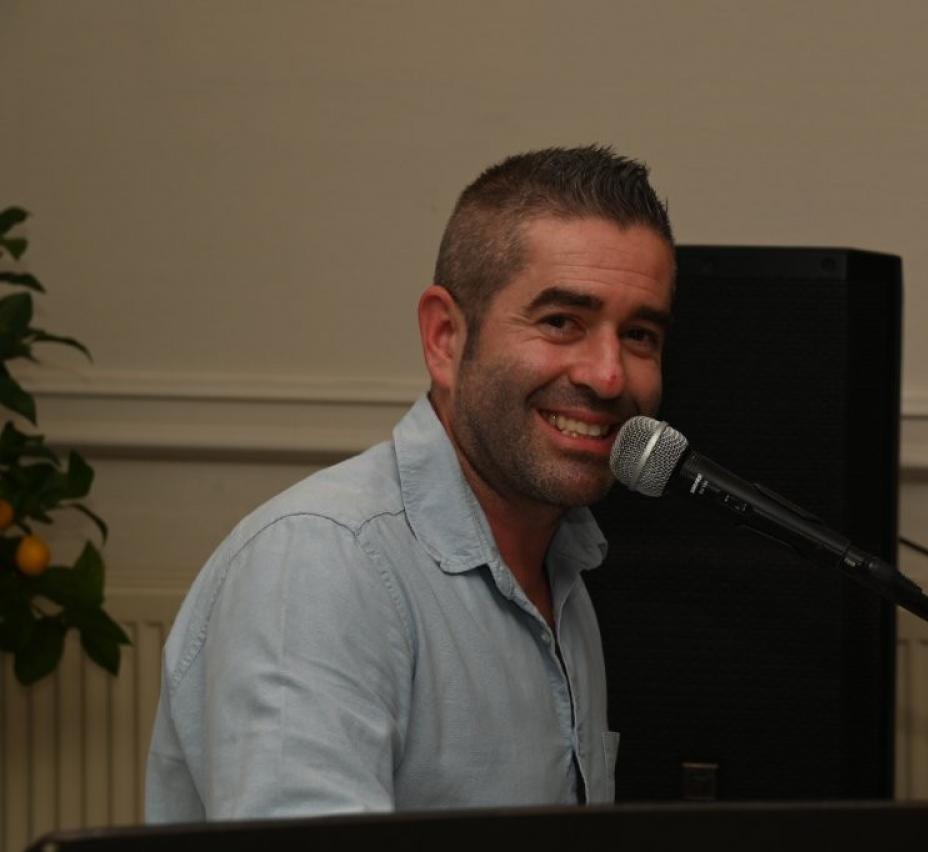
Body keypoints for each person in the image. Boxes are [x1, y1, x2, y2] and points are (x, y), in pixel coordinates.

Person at [144, 145, 676, 821]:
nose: (607, 375)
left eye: (639, 335)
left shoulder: (564, 572)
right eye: (561, 322)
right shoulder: (322, 562)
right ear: (445, 337)